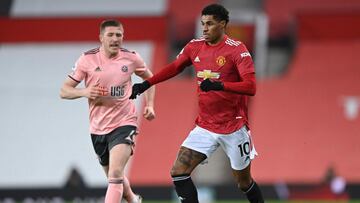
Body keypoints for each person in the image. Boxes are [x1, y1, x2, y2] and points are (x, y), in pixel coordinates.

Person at [130, 4, 264, 203]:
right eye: (203, 24)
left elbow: (251, 87)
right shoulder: (194, 47)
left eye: (210, 24)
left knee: (243, 182)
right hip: (205, 126)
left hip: (234, 127)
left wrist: (220, 86)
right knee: (178, 171)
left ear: (223, 24)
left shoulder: (237, 50)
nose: (205, 28)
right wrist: (146, 84)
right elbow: (175, 67)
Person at [60, 19, 155, 203]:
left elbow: (150, 79)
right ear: (101, 38)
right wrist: (84, 92)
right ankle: (133, 200)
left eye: (118, 35)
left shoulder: (132, 58)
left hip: (124, 123)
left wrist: (150, 104)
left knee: (116, 172)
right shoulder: (87, 59)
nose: (115, 39)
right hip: (98, 129)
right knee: (114, 177)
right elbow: (64, 90)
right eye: (110, 35)